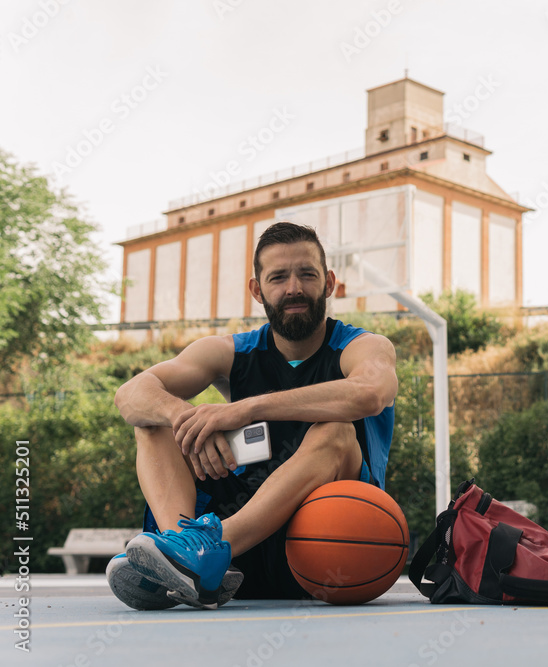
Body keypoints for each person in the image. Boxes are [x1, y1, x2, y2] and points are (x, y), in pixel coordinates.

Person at [108, 221, 398, 610]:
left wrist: (244, 408)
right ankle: (183, 557)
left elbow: (370, 393)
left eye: (306, 274)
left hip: (330, 544)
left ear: (329, 283)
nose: (293, 287)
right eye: (278, 277)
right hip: (240, 562)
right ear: (257, 290)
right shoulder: (232, 351)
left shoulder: (363, 346)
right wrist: (183, 416)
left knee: (337, 431)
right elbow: (130, 395)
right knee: (154, 420)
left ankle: (204, 551)